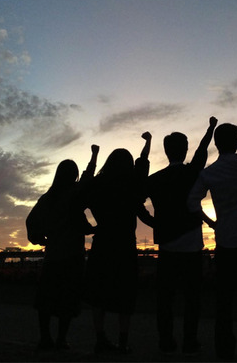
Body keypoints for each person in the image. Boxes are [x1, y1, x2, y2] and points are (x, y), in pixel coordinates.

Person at [187, 96, 237, 360]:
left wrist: (211, 222)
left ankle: (224, 349)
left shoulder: (208, 173)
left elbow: (192, 202)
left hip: (225, 242)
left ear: (216, 144)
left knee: (225, 301)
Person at [143, 116, 218, 356]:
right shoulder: (192, 173)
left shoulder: (154, 180)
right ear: (184, 149)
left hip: (166, 247)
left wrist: (152, 221)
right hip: (192, 247)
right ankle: (190, 342)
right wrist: (211, 128)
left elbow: (136, 203)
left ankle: (166, 342)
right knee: (192, 299)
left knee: (165, 300)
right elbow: (202, 151)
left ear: (166, 151)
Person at [81, 133, 154, 354]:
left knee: (99, 295)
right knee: (125, 293)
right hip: (125, 245)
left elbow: (84, 185)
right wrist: (148, 142)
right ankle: (123, 342)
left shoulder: (97, 186)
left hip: (102, 244)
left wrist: (94, 156)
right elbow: (142, 165)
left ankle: (100, 339)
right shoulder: (132, 186)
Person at [29, 145, 99, 352]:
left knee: (46, 300)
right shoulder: (74, 193)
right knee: (68, 300)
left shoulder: (46, 198)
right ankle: (61, 339)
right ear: (74, 175)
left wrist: (37, 238)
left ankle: (45, 338)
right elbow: (88, 178)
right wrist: (94, 155)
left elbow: (31, 221)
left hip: (52, 256)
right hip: (73, 255)